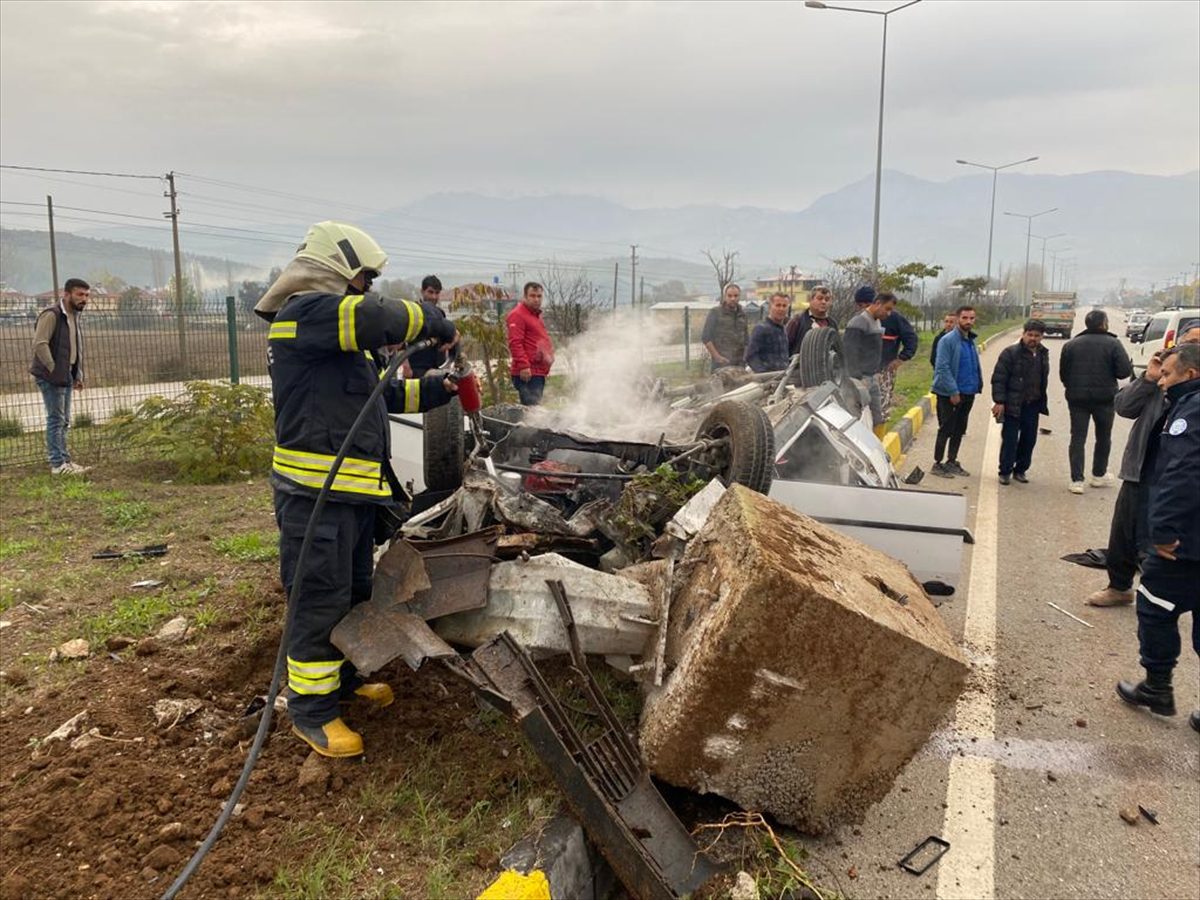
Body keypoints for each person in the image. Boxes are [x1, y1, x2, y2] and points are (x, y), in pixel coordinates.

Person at [254, 221, 459, 758]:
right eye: (363, 277)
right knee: (317, 599)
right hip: (313, 498)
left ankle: (344, 683)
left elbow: (379, 397)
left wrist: (438, 390)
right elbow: (378, 317)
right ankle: (313, 711)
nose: (367, 286)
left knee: (350, 593)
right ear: (335, 272)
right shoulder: (303, 314)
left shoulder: (335, 339)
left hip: (349, 498)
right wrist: (432, 317)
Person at [1115, 342, 1200, 733]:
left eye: (1168, 375)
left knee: (1155, 607)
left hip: (1184, 542)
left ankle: (1158, 687)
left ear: (1191, 375)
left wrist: (1162, 533)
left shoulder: (1191, 411)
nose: (1162, 381)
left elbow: (1180, 477)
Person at [1088, 318, 1200, 607]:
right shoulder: (1162, 378)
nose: (1191, 346)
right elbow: (1124, 407)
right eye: (1189, 340)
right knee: (1123, 533)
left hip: (1172, 479)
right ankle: (1119, 586)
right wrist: (1149, 378)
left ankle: (1158, 596)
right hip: (1139, 470)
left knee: (1159, 539)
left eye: (1198, 343)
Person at [1058, 309, 1133, 494]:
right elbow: (1124, 372)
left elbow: (1063, 374)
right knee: (1103, 437)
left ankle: (1076, 480)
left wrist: (1074, 386)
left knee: (1077, 437)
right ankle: (1098, 475)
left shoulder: (1071, 345)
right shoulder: (1113, 343)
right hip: (1105, 399)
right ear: (1104, 323)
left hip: (1077, 399)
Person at [29, 278, 91, 475]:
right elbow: (40, 343)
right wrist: (53, 368)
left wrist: (77, 374)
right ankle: (57, 464)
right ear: (67, 294)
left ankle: (65, 462)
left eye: (87, 295)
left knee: (64, 420)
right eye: (80, 295)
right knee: (56, 419)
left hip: (66, 375)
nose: (84, 299)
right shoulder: (52, 315)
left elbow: (74, 348)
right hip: (51, 376)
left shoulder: (73, 316)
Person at [989, 320, 1049, 485]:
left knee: (1029, 439)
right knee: (1009, 439)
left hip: (1033, 404)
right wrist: (999, 401)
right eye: (1030, 335)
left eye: (1037, 336)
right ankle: (1005, 471)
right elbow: (999, 379)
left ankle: (1021, 470)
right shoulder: (1010, 353)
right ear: (1023, 334)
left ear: (1042, 337)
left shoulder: (1043, 354)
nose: (1033, 339)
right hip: (1012, 404)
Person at [930, 305, 983, 478]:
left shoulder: (969, 339)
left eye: (971, 318)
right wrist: (953, 391)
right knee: (946, 428)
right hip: (950, 393)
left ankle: (951, 461)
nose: (968, 321)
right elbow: (942, 368)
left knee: (960, 428)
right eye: (965, 318)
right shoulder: (948, 340)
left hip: (968, 392)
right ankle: (937, 463)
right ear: (958, 319)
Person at [842, 287, 896, 437]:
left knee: (878, 417)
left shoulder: (877, 322)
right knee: (860, 420)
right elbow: (849, 353)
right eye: (887, 309)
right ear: (877, 303)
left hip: (873, 377)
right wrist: (857, 380)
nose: (889, 313)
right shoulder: (858, 322)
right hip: (861, 379)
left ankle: (879, 450)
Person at [506, 281, 554, 405]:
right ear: (525, 297)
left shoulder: (535, 316)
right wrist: (523, 366)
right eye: (532, 296)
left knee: (535, 410)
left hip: (538, 371)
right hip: (527, 373)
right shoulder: (518, 315)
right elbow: (515, 342)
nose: (536, 299)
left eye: (539, 296)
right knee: (531, 413)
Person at [879, 305, 919, 415]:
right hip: (863, 373)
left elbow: (911, 338)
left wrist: (902, 358)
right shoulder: (861, 320)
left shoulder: (893, 318)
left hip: (884, 371)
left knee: (881, 409)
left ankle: (879, 432)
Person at [405, 275, 448, 377]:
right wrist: (406, 366)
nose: (434, 297)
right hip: (417, 370)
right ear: (422, 291)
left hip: (437, 369)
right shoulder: (414, 313)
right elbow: (401, 342)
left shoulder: (440, 314)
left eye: (437, 293)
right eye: (430, 292)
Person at [701, 283, 749, 371]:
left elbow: (746, 339)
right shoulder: (715, 313)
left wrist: (745, 357)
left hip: (739, 364)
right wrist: (717, 357)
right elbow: (706, 337)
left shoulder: (743, 315)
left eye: (736, 296)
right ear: (724, 296)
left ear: (739, 297)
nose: (733, 298)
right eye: (729, 296)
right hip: (721, 364)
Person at [785, 284, 837, 356]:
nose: (823, 302)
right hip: (801, 365)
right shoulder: (797, 321)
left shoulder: (832, 324)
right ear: (810, 300)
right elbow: (785, 346)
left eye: (827, 299)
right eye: (820, 298)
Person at [745, 293, 791, 373]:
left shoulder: (783, 330)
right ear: (770, 307)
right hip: (766, 380)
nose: (781, 309)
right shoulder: (761, 329)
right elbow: (750, 356)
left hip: (783, 378)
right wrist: (763, 373)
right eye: (778, 305)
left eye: (784, 306)